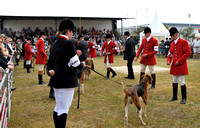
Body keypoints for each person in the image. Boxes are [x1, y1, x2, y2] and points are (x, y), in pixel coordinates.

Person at [47, 19, 85, 128]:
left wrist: (50, 71)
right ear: (68, 31)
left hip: (56, 79)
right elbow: (75, 63)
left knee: (58, 107)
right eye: (72, 32)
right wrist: (82, 64)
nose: (73, 34)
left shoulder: (55, 43)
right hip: (66, 79)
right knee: (64, 109)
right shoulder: (68, 43)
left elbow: (50, 62)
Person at [167, 27, 191, 104]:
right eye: (171, 36)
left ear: (176, 34)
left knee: (182, 81)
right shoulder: (172, 44)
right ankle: (174, 96)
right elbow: (170, 54)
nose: (172, 37)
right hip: (174, 65)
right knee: (174, 81)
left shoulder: (184, 42)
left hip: (181, 65)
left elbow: (188, 53)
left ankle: (184, 98)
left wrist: (180, 61)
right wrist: (168, 61)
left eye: (173, 36)